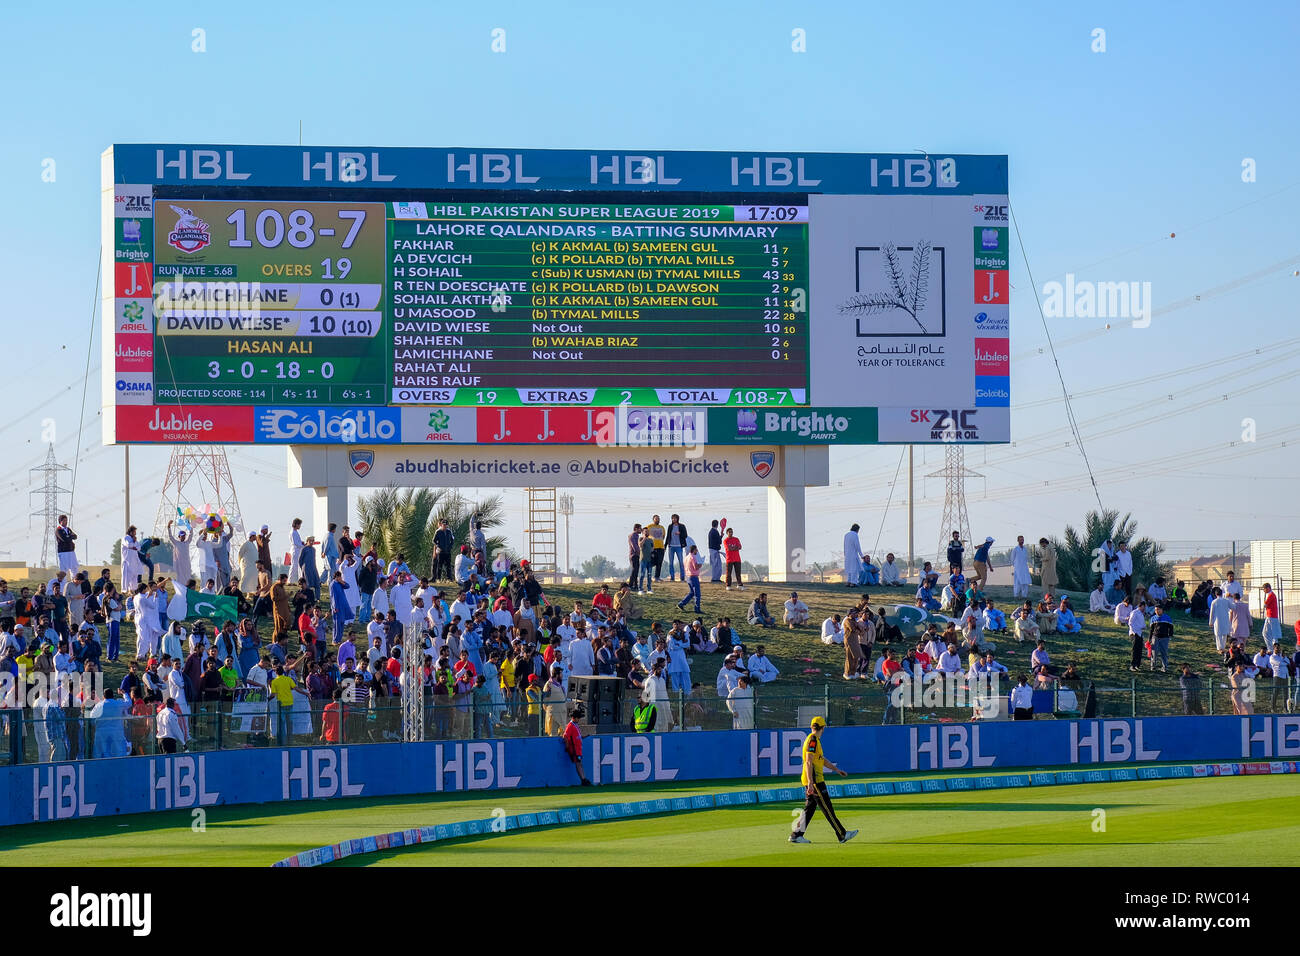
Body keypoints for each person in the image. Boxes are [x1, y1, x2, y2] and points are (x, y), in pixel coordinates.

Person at [789, 716, 856, 845]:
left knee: (809, 809)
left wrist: (836, 770)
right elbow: (808, 762)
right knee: (827, 808)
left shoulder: (814, 740)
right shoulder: (813, 740)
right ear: (823, 728)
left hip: (813, 780)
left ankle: (796, 835)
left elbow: (821, 760)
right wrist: (810, 783)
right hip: (815, 781)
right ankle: (842, 834)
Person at [562, 706, 593, 785]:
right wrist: (567, 746)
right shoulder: (570, 725)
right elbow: (565, 736)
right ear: (574, 718)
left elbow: (577, 736)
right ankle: (583, 779)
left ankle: (584, 779)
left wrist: (585, 736)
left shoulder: (575, 725)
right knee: (578, 763)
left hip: (578, 748)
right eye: (578, 718)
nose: (579, 719)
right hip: (574, 749)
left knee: (579, 763)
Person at [678, 545, 704, 614]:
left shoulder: (686, 557)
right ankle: (697, 608)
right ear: (694, 550)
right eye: (696, 550)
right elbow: (695, 567)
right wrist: (700, 565)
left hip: (688, 577)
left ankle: (681, 603)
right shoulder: (693, 557)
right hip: (694, 577)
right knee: (697, 593)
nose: (697, 551)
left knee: (692, 593)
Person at [1208, 586, 1233, 653]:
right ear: (1222, 594)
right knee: (1224, 634)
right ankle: (1223, 647)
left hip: (1217, 620)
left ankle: (1219, 648)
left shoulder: (1214, 601)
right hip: (1225, 619)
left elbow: (1211, 613)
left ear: (1216, 594)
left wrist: (1210, 621)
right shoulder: (1226, 601)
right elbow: (1233, 607)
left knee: (1218, 634)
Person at [1149, 605, 1174, 672]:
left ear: (1162, 610)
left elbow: (1171, 628)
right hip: (1155, 637)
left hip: (1165, 638)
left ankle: (1165, 668)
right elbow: (1151, 630)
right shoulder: (1153, 618)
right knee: (1154, 653)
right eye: (1155, 610)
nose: (1156, 611)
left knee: (1164, 653)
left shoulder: (1167, 618)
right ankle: (1153, 667)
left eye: (1158, 609)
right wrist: (1150, 639)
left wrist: (1170, 636)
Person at [664, 514, 688, 582]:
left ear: (678, 519)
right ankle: (672, 577)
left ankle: (682, 577)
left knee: (681, 562)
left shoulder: (682, 526)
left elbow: (685, 535)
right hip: (671, 546)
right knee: (671, 563)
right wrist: (665, 546)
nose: (674, 519)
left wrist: (680, 533)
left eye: (675, 518)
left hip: (679, 546)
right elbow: (668, 536)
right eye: (673, 518)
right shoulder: (670, 526)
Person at [1127, 600, 1148, 672]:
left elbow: (1141, 624)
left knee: (1139, 650)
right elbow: (1130, 623)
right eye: (1144, 606)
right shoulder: (1134, 612)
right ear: (1141, 606)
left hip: (1140, 633)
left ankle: (1137, 665)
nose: (1145, 608)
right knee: (1135, 650)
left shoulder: (1141, 614)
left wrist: (1144, 626)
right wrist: (1133, 632)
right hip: (1135, 633)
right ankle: (1132, 665)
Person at [1260, 582, 1281, 653]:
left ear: (1268, 588)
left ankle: (1273, 649)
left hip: (1272, 616)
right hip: (1270, 616)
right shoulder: (1271, 594)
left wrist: (1265, 604)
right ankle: (1271, 648)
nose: (1264, 591)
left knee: (1272, 634)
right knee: (1266, 633)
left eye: (1264, 589)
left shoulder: (1271, 595)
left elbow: (1265, 604)